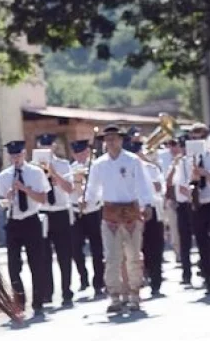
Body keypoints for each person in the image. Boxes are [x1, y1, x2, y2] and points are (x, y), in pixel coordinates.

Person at [83, 124, 154, 313]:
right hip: (110, 213)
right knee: (112, 257)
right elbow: (93, 188)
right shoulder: (99, 164)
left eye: (114, 138)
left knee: (132, 256)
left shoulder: (133, 161)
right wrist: (87, 202)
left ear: (121, 140)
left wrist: (147, 204)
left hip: (130, 211)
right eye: (108, 139)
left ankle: (134, 293)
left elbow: (143, 184)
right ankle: (114, 295)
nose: (111, 142)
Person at [0, 141, 50, 317]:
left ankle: (38, 302)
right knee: (13, 265)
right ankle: (19, 303)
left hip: (31, 220)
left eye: (18, 155)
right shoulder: (4, 176)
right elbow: (0, 202)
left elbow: (43, 199)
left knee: (36, 263)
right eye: (12, 156)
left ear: (24, 154)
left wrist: (24, 189)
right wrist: (8, 196)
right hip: (13, 221)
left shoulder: (35, 172)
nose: (15, 159)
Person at [174, 123, 210, 298]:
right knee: (202, 244)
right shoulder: (184, 162)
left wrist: (206, 174)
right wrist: (192, 183)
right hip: (196, 204)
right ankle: (209, 279)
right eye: (194, 138)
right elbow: (180, 187)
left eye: (201, 137)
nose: (197, 141)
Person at [36, 134, 75, 306]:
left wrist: (54, 173)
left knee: (64, 255)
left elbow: (69, 188)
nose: (46, 148)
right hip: (43, 212)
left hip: (60, 211)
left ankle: (67, 291)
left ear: (53, 146)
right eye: (42, 145)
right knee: (44, 256)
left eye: (48, 145)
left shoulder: (63, 164)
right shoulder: (32, 168)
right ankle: (47, 293)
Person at [127, 138, 165, 297]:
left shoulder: (151, 168)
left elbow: (158, 187)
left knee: (154, 247)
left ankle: (156, 281)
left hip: (152, 209)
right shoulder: (126, 169)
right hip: (133, 210)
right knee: (135, 249)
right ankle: (140, 278)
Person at [69, 139, 105, 296]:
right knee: (76, 248)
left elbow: (100, 189)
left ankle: (99, 281)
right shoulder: (70, 169)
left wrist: (88, 199)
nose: (80, 156)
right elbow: (68, 190)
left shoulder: (96, 167)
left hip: (94, 210)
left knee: (97, 248)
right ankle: (83, 277)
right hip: (76, 212)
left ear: (88, 152)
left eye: (83, 152)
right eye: (77, 153)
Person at [166, 136, 196, 285]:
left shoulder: (192, 161)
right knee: (184, 241)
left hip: (194, 204)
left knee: (202, 239)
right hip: (183, 205)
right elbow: (172, 182)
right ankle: (186, 273)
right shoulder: (179, 163)